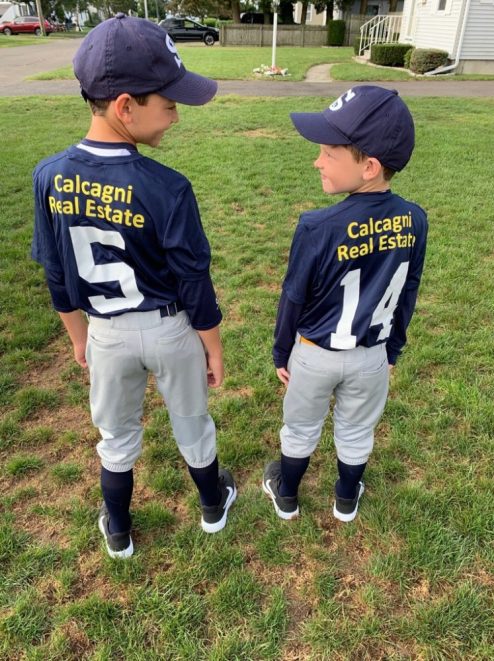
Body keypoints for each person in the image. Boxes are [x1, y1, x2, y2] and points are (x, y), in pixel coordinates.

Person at [31, 14, 236, 559]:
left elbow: (56, 273)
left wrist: (78, 338)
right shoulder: (168, 186)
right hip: (169, 328)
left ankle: (119, 529)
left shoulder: (49, 176)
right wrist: (213, 346)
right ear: (125, 106)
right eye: (168, 104)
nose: (176, 115)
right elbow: (194, 281)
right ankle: (212, 505)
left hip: (105, 331)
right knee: (191, 421)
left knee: (116, 435)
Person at [263, 86, 428, 523]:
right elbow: (408, 291)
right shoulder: (415, 219)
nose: (317, 161)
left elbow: (293, 296)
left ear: (369, 166)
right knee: (357, 430)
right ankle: (346, 499)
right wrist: (393, 349)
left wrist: (281, 351)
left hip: (315, 353)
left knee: (301, 426)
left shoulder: (317, 226)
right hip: (372, 354)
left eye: (328, 153)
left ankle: (287, 494)